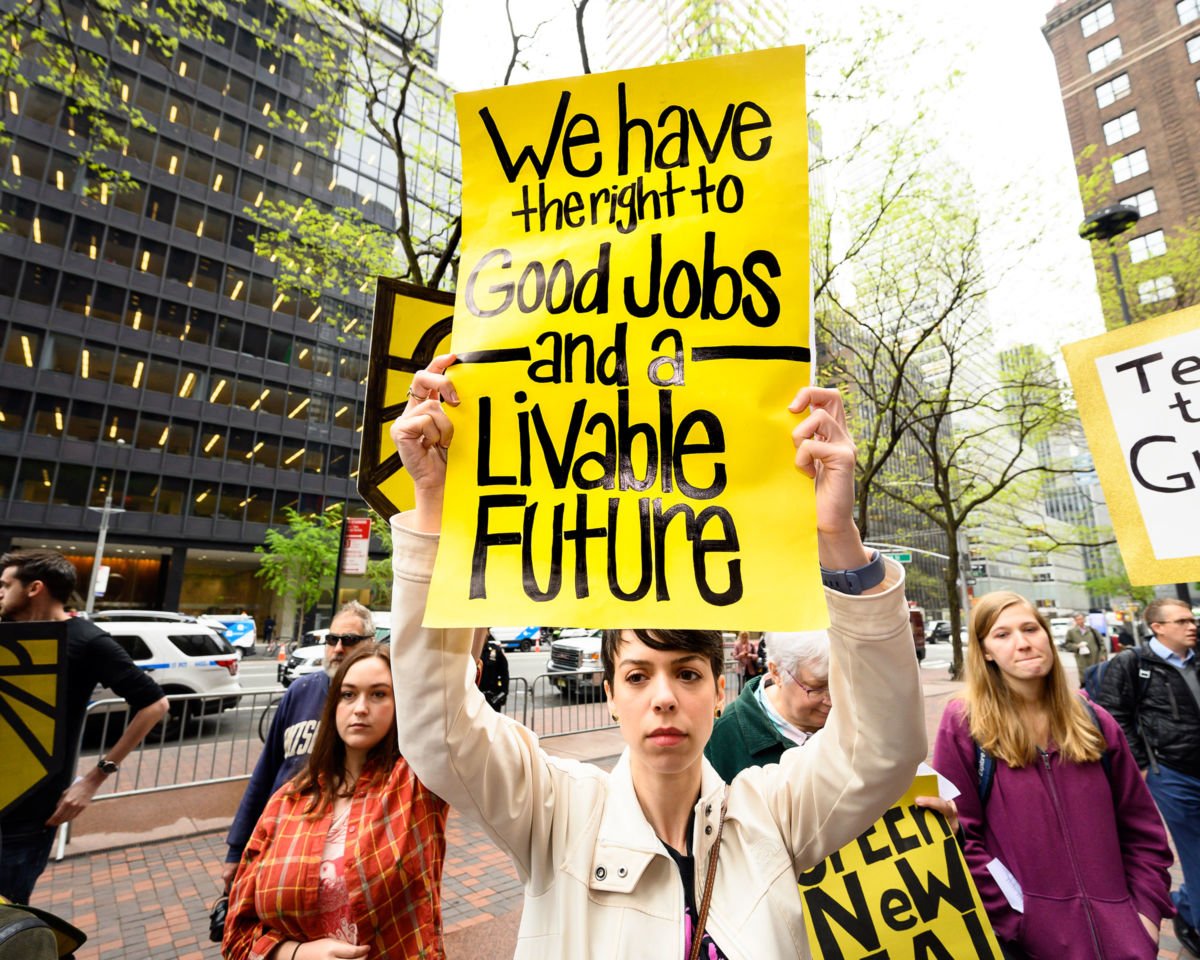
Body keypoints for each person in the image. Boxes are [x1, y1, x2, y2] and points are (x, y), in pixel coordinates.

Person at [387, 357, 926, 958]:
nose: (664, 696)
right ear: (610, 693)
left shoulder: (773, 812)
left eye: (688, 673)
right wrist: (434, 503)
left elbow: (882, 748)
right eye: (637, 675)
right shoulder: (553, 811)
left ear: (722, 692)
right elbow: (437, 730)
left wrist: (837, 538)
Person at [933, 591, 1174, 959]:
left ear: (1047, 634)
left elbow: (1143, 832)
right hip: (1031, 944)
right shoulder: (964, 726)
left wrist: (1143, 918)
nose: (1023, 643)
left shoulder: (1096, 722)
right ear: (985, 652)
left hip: (1124, 942)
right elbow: (961, 839)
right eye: (1003, 635)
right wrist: (1018, 921)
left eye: (1031, 628)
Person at [222, 643, 448, 960]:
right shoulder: (287, 801)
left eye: (379, 694)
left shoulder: (417, 785)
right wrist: (296, 954)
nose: (360, 707)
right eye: (348, 694)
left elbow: (454, 690)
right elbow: (237, 935)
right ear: (333, 706)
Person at [0, 550, 169, 905]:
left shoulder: (86, 640)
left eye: (5, 585)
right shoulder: (8, 633)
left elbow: (155, 704)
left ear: (35, 588)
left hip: (25, 818)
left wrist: (94, 778)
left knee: (8, 922)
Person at [220, 601, 375, 890]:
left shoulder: (382, 705)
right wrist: (237, 847)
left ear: (371, 643)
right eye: (331, 639)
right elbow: (266, 771)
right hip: (281, 839)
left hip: (340, 852)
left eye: (350, 640)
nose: (338, 648)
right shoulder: (300, 691)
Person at [1097, 596, 1200, 958]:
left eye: (1192, 620)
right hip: (1172, 774)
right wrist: (1141, 765)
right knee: (1195, 851)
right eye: (1182, 621)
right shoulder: (1133, 662)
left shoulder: (1197, 657)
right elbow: (1112, 715)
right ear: (1157, 627)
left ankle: (1186, 908)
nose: (1192, 626)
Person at [706, 631, 830, 780]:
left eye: (841, 684)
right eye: (817, 688)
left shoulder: (854, 718)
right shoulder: (723, 740)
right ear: (776, 672)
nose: (833, 700)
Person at [1062, 611, 1105, 682]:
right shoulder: (1071, 632)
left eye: (1081, 619)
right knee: (1084, 678)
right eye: (1078, 619)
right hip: (1082, 659)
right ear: (1075, 621)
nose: (1080, 621)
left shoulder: (1092, 630)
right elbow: (1067, 645)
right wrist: (1077, 646)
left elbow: (1101, 642)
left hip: (1095, 657)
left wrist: (1102, 654)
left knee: (1096, 676)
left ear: (1084, 619)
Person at [477, 631, 510, 711]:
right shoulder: (472, 652)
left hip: (492, 699)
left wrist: (501, 695)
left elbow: (504, 674)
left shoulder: (495, 651)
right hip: (476, 699)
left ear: (487, 633)